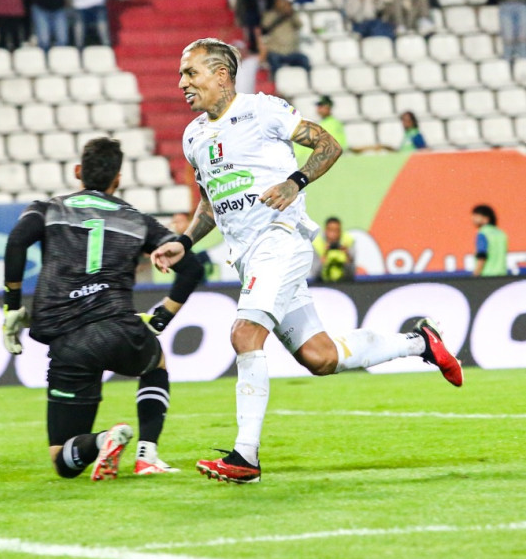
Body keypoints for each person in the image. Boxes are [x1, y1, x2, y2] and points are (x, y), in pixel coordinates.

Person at [152, 38, 463, 484]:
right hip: (249, 257)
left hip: (280, 240)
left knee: (244, 334)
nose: (182, 83)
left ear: (221, 75)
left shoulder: (262, 110)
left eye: (191, 73)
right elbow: (210, 201)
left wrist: (294, 183)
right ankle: (420, 343)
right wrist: (185, 241)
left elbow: (328, 145)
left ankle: (245, 457)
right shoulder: (193, 136)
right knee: (320, 357)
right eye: (181, 75)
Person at [3, 138, 204, 480]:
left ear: (78, 171)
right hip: (120, 329)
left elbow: (17, 241)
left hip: (69, 342)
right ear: (118, 179)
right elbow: (192, 268)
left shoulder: (49, 208)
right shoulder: (136, 220)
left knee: (62, 458)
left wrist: (12, 306)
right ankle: (148, 454)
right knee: (155, 362)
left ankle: (103, 441)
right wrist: (161, 317)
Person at [260, 0, 310, 75]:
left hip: (291, 51)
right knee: (274, 60)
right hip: (276, 51)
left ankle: (307, 81)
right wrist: (281, 15)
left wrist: (291, 13)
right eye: (279, 2)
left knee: (304, 59)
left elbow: (299, 25)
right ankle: (275, 82)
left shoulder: (292, 14)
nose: (282, 4)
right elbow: (265, 27)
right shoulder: (269, 14)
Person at [312, 217, 355, 282]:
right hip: (323, 284)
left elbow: (352, 274)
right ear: (325, 231)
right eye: (330, 230)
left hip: (344, 283)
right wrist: (324, 255)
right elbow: (315, 274)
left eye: (336, 231)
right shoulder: (317, 244)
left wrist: (347, 256)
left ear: (340, 231)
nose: (333, 234)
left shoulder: (348, 242)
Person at [471, 205, 509, 277]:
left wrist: (475, 274)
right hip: (502, 274)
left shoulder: (483, 233)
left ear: (486, 218)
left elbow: (482, 255)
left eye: (476, 216)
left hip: (487, 275)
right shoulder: (501, 233)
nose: (473, 218)